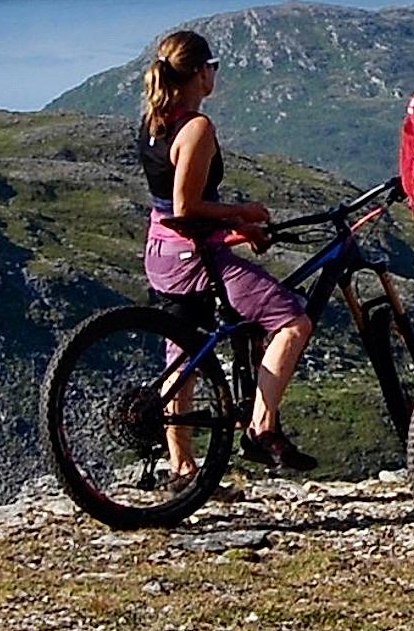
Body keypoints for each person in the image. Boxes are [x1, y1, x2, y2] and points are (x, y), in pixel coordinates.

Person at [134, 28, 316, 474]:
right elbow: (186, 206)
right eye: (213, 68)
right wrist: (244, 211)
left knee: (183, 354)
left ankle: (183, 470)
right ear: (199, 74)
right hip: (192, 257)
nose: (215, 75)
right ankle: (262, 426)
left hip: (162, 251)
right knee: (293, 322)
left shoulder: (154, 120)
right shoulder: (195, 128)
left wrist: (236, 227)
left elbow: (170, 209)